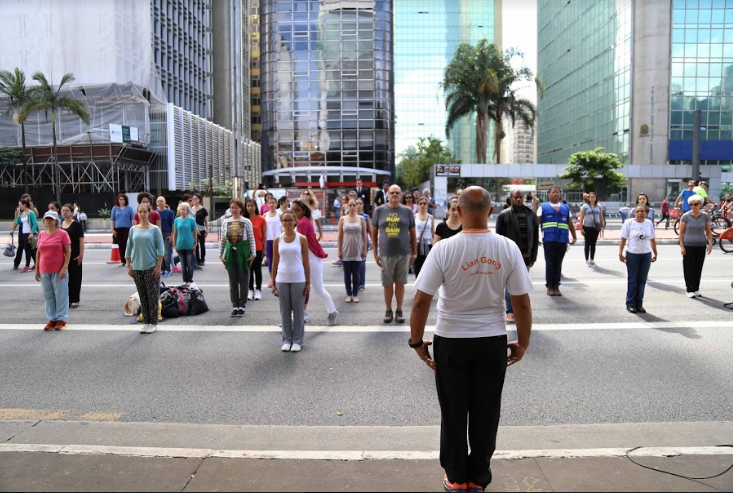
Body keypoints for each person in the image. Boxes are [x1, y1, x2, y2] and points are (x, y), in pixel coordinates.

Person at [409, 186, 533, 492]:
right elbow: (522, 302)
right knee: (486, 410)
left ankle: (455, 475)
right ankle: (478, 476)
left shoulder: (444, 249)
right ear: (490, 212)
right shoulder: (507, 248)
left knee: (453, 409)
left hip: (451, 340)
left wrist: (417, 342)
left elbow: (421, 302)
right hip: (492, 340)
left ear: (459, 211)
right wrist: (523, 341)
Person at [371, 184, 417, 324]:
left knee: (400, 283)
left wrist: (414, 254)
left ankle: (399, 309)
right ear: (388, 195)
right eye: (392, 193)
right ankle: (388, 310)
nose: (394, 195)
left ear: (401, 195)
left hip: (403, 253)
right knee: (387, 284)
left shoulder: (407, 212)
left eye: (397, 192)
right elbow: (373, 232)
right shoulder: (379, 211)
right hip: (386, 253)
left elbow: (413, 234)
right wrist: (375, 252)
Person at [292, 199, 339, 326]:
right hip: (309, 259)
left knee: (318, 289)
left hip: (311, 260)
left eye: (297, 210)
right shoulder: (303, 221)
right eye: (293, 210)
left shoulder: (302, 223)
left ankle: (332, 311)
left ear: (304, 210)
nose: (295, 212)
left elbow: (298, 242)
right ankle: (296, 316)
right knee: (302, 288)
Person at [496, 190, 540, 322]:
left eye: (521, 197)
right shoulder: (504, 215)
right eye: (516, 197)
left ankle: (520, 309)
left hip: (526, 255)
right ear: (511, 198)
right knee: (510, 285)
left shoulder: (531, 214)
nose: (519, 199)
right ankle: (509, 310)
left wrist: (534, 256)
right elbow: (498, 239)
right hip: (509, 256)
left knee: (522, 284)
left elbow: (536, 236)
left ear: (525, 198)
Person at [271, 210, 310, 352]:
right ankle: (287, 339)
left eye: (290, 220)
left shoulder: (302, 239)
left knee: (298, 311)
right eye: (284, 220)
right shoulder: (277, 240)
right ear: (281, 222)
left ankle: (298, 340)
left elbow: (306, 263)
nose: (287, 223)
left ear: (295, 222)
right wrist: (273, 282)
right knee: (285, 311)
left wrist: (308, 283)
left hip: (298, 279)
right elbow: (274, 263)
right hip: (282, 279)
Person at [125, 203, 165, 334]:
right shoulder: (133, 229)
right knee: (142, 296)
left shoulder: (154, 229)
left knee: (152, 296)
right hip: (137, 267)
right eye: (140, 212)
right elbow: (129, 248)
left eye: (144, 212)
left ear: (149, 213)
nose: (142, 214)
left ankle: (153, 322)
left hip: (151, 267)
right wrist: (128, 265)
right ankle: (146, 321)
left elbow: (161, 249)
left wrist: (158, 266)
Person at [34, 211, 72, 331]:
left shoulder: (62, 234)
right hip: (44, 269)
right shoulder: (41, 234)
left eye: (50, 219)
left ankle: (61, 318)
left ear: (56, 220)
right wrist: (36, 269)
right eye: (46, 219)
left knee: (60, 295)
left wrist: (64, 267)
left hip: (58, 269)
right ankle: (52, 318)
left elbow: (68, 251)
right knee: (48, 295)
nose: (48, 221)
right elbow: (38, 252)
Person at [219, 198, 256, 317]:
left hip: (243, 250)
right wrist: (221, 254)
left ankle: (242, 305)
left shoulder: (246, 222)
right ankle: (235, 305)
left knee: (244, 279)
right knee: (233, 280)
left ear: (241, 208)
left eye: (236, 207)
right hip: (230, 251)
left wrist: (253, 254)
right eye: (232, 207)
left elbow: (251, 238)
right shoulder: (226, 222)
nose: (234, 210)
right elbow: (223, 240)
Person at [538, 187, 577, 296]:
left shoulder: (565, 208)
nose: (555, 194)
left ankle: (556, 286)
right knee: (550, 264)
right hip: (549, 239)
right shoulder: (543, 207)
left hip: (562, 240)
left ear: (560, 194)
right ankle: (549, 286)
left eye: (557, 192)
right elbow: (536, 224)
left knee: (558, 264)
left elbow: (570, 223)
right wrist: (536, 238)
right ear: (549, 195)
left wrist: (574, 236)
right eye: (553, 192)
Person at [619, 204, 657, 314]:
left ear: (646, 213)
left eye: (642, 211)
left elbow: (652, 239)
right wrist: (620, 253)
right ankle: (630, 303)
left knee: (642, 280)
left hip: (646, 255)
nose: (640, 213)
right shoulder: (629, 223)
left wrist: (655, 253)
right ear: (634, 213)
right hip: (632, 254)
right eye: (638, 211)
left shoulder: (649, 223)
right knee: (633, 280)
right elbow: (623, 239)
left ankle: (639, 303)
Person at [678, 194, 713, 299]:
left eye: (695, 204)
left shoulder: (705, 216)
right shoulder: (686, 216)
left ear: (700, 204)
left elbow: (708, 231)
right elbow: (681, 233)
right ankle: (689, 289)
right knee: (689, 268)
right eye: (691, 204)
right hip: (688, 245)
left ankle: (696, 288)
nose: (693, 206)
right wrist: (682, 246)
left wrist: (710, 243)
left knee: (698, 267)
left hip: (701, 245)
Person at [337, 198, 367, 303]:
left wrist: (364, 249)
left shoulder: (361, 219)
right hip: (346, 250)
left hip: (357, 250)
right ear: (347, 206)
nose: (352, 207)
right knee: (347, 273)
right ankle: (348, 294)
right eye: (350, 205)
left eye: (354, 205)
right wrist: (339, 251)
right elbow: (340, 236)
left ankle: (355, 294)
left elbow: (364, 236)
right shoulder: (342, 219)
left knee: (356, 273)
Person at [60, 204, 84, 309]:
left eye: (67, 210)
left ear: (71, 212)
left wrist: (81, 254)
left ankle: (75, 299)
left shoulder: (76, 224)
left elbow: (81, 240)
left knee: (75, 277)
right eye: (63, 211)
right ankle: (67, 299)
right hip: (63, 255)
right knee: (65, 278)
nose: (64, 212)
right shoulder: (61, 224)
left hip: (74, 254)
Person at [244, 199, 266, 301]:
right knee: (248, 270)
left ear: (256, 207)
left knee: (257, 269)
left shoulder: (261, 219)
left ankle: (258, 290)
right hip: (246, 249)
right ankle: (250, 290)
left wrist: (264, 248)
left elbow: (265, 235)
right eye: (248, 206)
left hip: (258, 248)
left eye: (252, 206)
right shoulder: (244, 219)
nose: (250, 208)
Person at [172, 202, 197, 285]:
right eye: (180, 209)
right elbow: (175, 233)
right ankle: (184, 280)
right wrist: (174, 244)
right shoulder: (176, 220)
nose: (182, 211)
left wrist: (195, 243)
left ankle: (190, 280)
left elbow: (195, 232)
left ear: (187, 211)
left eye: (183, 209)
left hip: (189, 244)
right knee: (183, 265)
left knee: (189, 264)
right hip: (180, 244)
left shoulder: (191, 220)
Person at [10, 198, 38, 272]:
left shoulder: (31, 213)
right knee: (30, 250)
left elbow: (35, 223)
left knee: (28, 249)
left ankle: (27, 265)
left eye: (20, 205)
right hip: (24, 233)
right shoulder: (22, 213)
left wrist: (31, 233)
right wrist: (19, 214)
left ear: (24, 205)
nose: (19, 207)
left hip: (29, 233)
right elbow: (18, 222)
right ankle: (37, 263)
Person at [578, 192, 605, 266]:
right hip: (587, 226)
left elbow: (601, 216)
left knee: (593, 244)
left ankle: (592, 259)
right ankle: (587, 260)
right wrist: (581, 228)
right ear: (588, 198)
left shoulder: (599, 206)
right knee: (587, 243)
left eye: (594, 197)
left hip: (596, 227)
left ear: (596, 198)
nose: (592, 198)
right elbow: (582, 217)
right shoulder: (585, 206)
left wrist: (602, 226)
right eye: (591, 197)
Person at [111, 193, 135, 267]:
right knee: (120, 244)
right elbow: (112, 219)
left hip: (127, 228)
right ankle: (123, 261)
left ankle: (129, 260)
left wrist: (133, 228)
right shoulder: (115, 208)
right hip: (118, 228)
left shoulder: (129, 208)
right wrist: (112, 229)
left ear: (125, 200)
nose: (122, 201)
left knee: (127, 244)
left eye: (123, 199)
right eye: (120, 199)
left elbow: (133, 219)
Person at [414, 196, 435, 278]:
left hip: (428, 243)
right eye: (420, 203)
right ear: (418, 205)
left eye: (424, 203)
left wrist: (436, 244)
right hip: (418, 244)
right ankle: (418, 282)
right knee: (418, 265)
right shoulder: (415, 217)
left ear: (427, 205)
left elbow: (433, 232)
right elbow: (412, 232)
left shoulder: (431, 217)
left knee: (427, 265)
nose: (422, 205)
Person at [265, 196, 283, 288]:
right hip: (268, 240)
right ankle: (272, 279)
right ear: (268, 204)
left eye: (273, 202)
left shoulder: (279, 215)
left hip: (278, 240)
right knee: (270, 260)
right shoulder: (265, 215)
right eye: (270, 203)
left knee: (279, 259)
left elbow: (283, 227)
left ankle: (279, 278)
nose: (272, 204)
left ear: (276, 204)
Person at [355, 198, 372, 291]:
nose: (358, 205)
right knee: (353, 264)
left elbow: (370, 230)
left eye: (360, 203)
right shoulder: (350, 216)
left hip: (364, 244)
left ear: (362, 205)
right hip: (353, 244)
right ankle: (355, 282)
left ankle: (361, 284)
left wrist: (373, 242)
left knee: (362, 264)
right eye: (356, 203)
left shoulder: (366, 217)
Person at [157, 196, 176, 277]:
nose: (160, 202)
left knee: (167, 253)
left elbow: (173, 224)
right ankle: (162, 269)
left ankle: (168, 269)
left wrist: (172, 235)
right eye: (158, 201)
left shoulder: (169, 212)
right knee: (160, 253)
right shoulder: (155, 212)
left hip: (166, 233)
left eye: (161, 201)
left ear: (165, 202)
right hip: (157, 234)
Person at [191, 193, 208, 267]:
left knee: (202, 244)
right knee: (195, 245)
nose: (194, 200)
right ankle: (197, 259)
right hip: (193, 230)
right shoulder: (190, 209)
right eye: (193, 199)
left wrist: (207, 230)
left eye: (196, 199)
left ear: (199, 200)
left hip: (201, 229)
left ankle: (202, 259)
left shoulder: (203, 209)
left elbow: (206, 221)